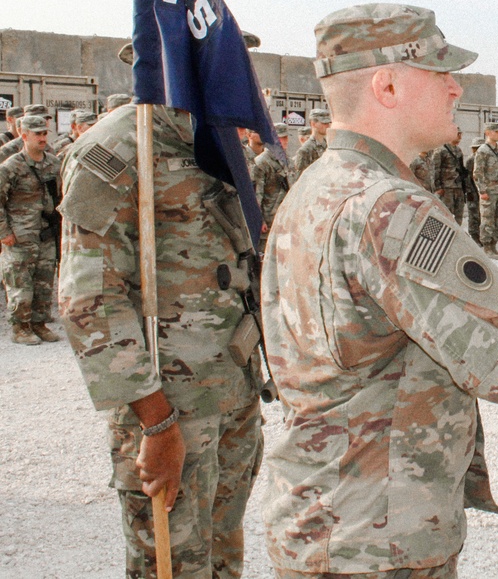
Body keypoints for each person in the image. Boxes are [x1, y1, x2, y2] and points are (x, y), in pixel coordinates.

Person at [260, 2, 498, 579]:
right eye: (440, 72)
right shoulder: (389, 207)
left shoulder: (320, 185)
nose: (455, 87)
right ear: (387, 85)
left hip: (331, 519)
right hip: (376, 541)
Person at [59, 101, 264, 577]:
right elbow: (89, 302)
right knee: (172, 565)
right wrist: (156, 423)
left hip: (233, 391)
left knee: (222, 556)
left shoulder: (220, 142)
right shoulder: (113, 149)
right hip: (172, 408)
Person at [0, 115, 61, 345]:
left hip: (45, 234)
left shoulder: (54, 164)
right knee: (20, 283)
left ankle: (39, 323)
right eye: (37, 134)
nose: (42, 138)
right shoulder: (11, 167)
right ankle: (20, 327)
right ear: (23, 136)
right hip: (19, 234)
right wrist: (3, 231)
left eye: (45, 133)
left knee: (44, 281)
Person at [473, 122, 498, 259]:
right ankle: (487, 248)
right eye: (496, 132)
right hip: (488, 189)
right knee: (488, 220)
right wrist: (482, 191)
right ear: (487, 133)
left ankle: (494, 246)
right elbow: (477, 173)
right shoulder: (483, 150)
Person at [254, 122, 289, 253]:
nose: (284, 141)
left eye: (285, 137)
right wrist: (259, 220)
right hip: (268, 221)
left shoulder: (287, 160)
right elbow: (257, 193)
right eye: (280, 138)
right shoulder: (261, 162)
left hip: (284, 220)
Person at [430, 131, 467, 224]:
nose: (460, 136)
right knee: (445, 215)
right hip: (446, 188)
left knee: (459, 215)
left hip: (458, 187)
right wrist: (438, 187)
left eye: (460, 134)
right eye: (457, 133)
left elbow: (461, 169)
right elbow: (435, 169)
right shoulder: (441, 150)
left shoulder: (458, 150)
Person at [291, 107, 330, 182]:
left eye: (328, 123)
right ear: (313, 124)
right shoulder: (305, 150)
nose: (327, 126)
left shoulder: (328, 146)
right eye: (324, 123)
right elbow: (299, 181)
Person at [466, 138, 483, 244]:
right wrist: (469, 192)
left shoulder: (481, 159)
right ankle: (474, 236)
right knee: (473, 214)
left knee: (480, 215)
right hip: (472, 191)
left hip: (480, 190)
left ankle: (480, 236)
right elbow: (467, 177)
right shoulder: (471, 160)